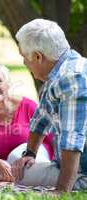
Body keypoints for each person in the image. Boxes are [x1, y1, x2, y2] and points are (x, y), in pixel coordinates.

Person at [11, 19, 87, 192]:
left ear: (38, 57)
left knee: (13, 175)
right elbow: (41, 118)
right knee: (14, 162)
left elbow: (73, 140)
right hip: (64, 167)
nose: (24, 63)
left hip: (81, 174)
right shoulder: (61, 72)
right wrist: (29, 153)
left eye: (24, 57)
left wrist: (60, 191)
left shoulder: (72, 79)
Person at [0, 63, 54, 182]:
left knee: (18, 158)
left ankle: (63, 178)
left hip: (32, 155)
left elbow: (51, 137)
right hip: (3, 162)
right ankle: (28, 180)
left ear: (8, 83)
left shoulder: (28, 106)